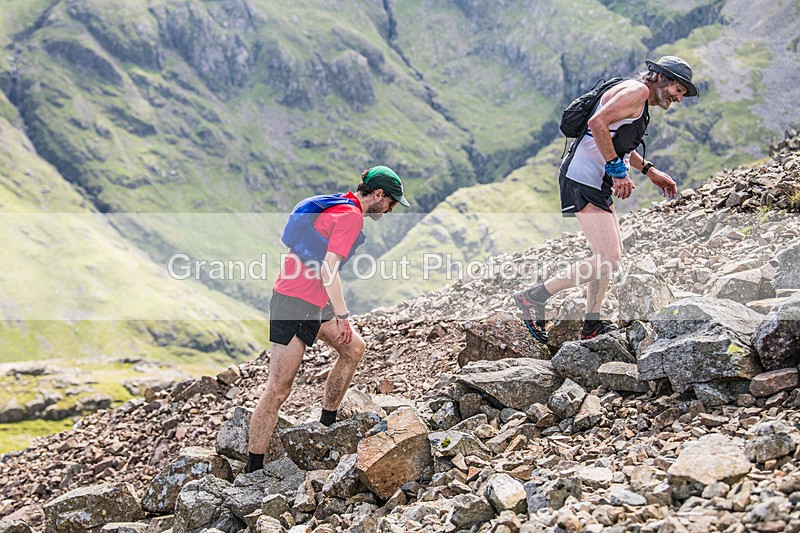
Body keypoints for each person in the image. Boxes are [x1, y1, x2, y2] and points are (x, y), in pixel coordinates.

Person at [514, 56, 698, 342]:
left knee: (608, 256)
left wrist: (649, 171)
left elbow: (617, 140)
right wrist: (616, 169)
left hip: (593, 180)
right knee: (610, 258)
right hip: (583, 178)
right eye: (679, 90)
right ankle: (533, 297)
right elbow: (597, 122)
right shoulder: (637, 93)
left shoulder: (637, 93)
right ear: (662, 79)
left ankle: (592, 325)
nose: (679, 98)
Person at [245, 166, 410, 473]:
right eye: (391, 202)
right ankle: (252, 469)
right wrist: (344, 317)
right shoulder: (350, 216)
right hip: (293, 303)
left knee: (353, 349)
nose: (390, 209)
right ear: (378, 195)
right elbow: (328, 270)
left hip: (315, 301)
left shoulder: (341, 202)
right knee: (279, 388)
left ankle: (326, 425)